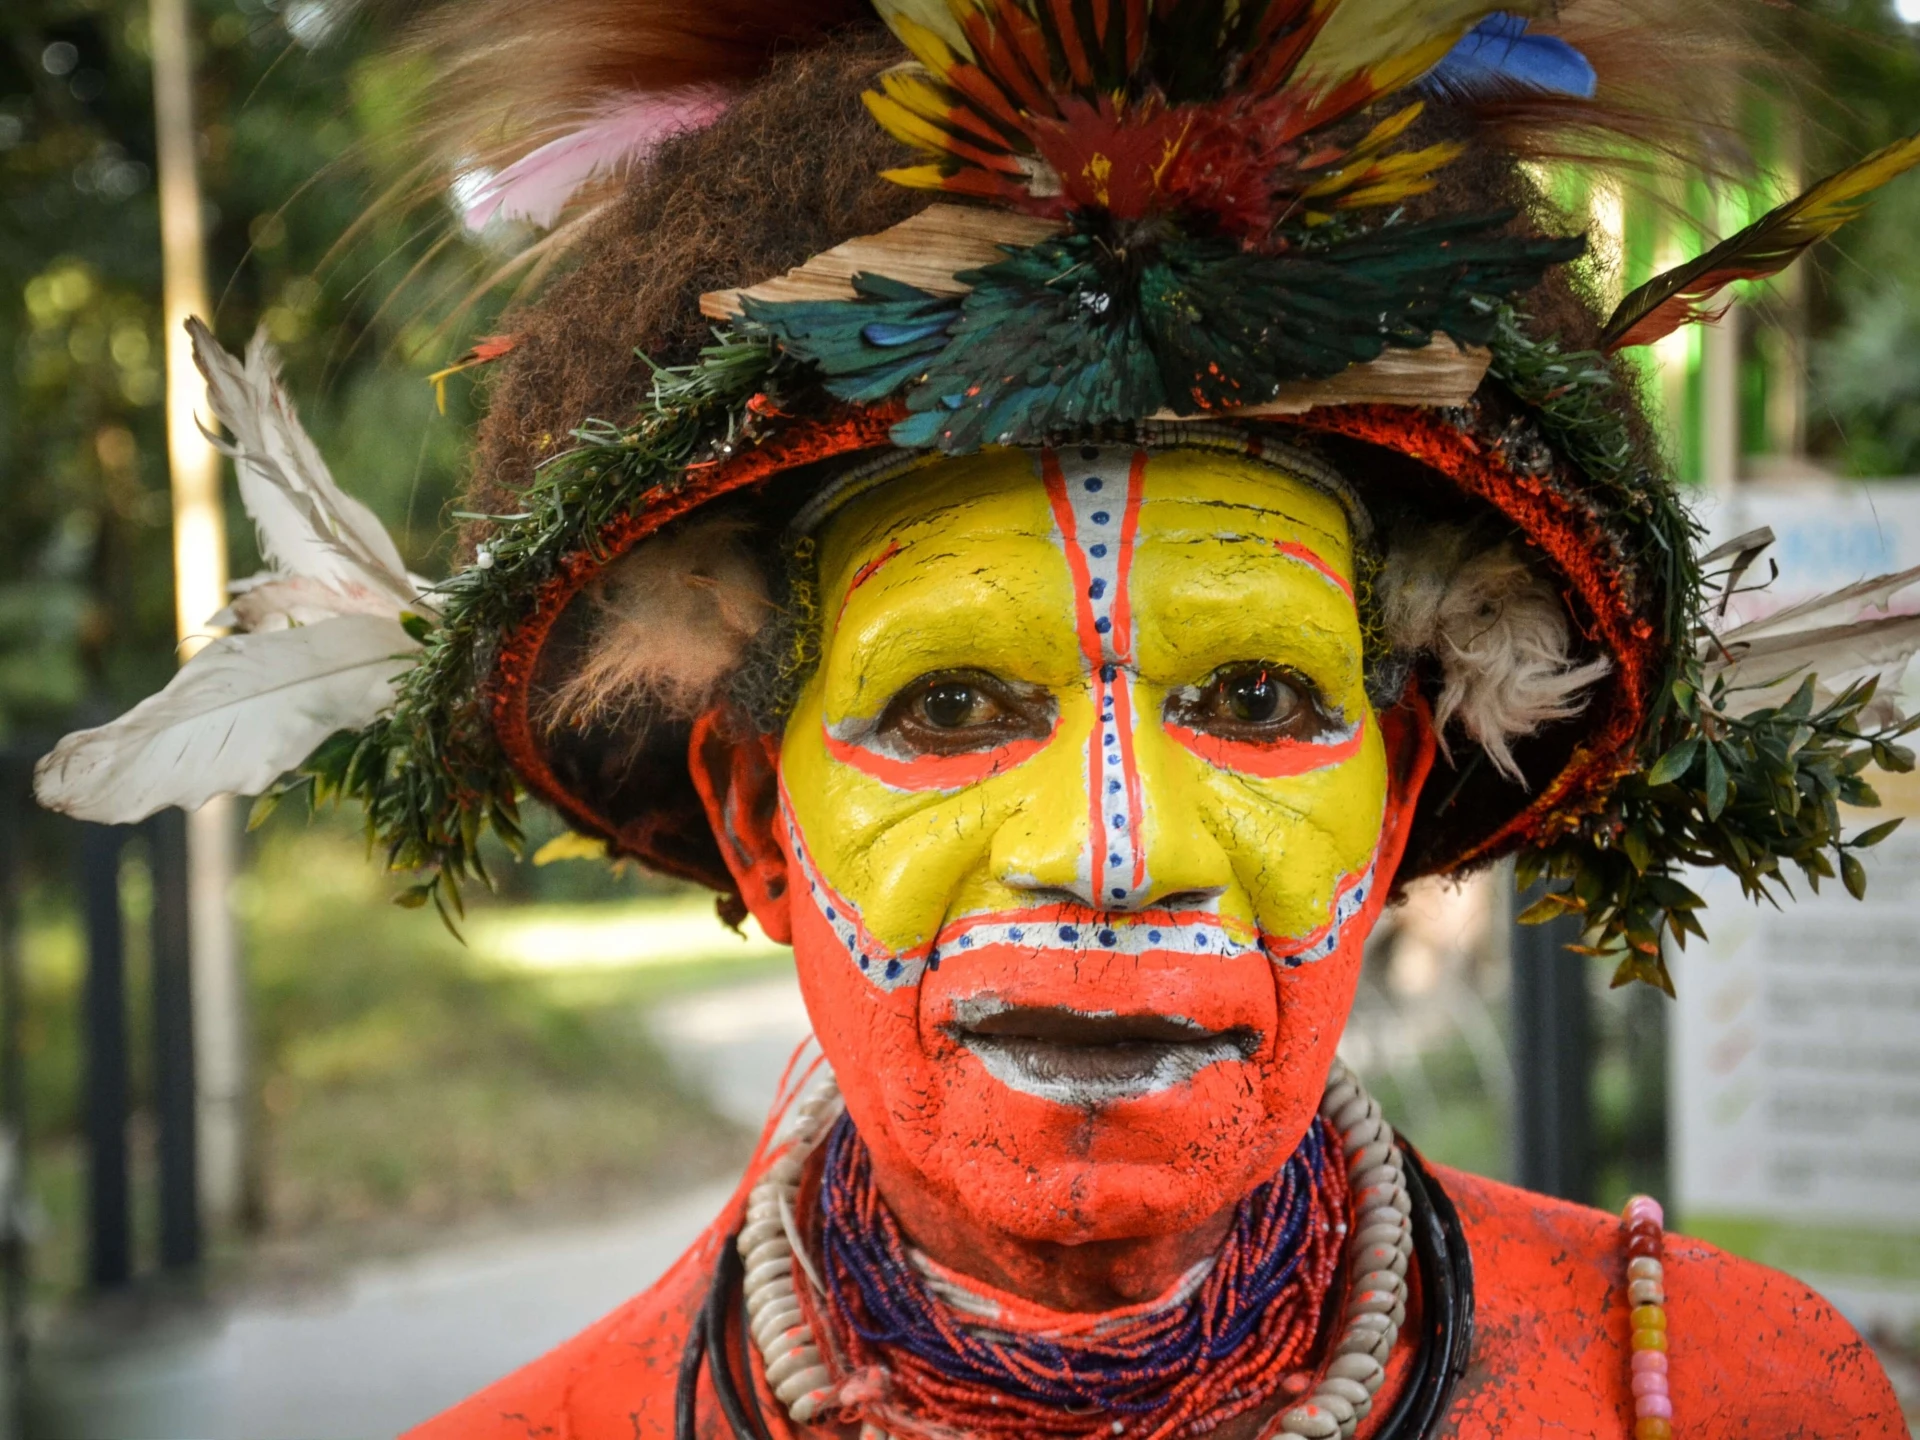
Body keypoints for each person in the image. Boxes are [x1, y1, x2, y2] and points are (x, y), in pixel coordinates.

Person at [35, 2, 1919, 1435]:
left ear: (1405, 781)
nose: (1113, 851)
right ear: (759, 818)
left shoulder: (1738, 1394)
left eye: (1256, 696)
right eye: (946, 705)